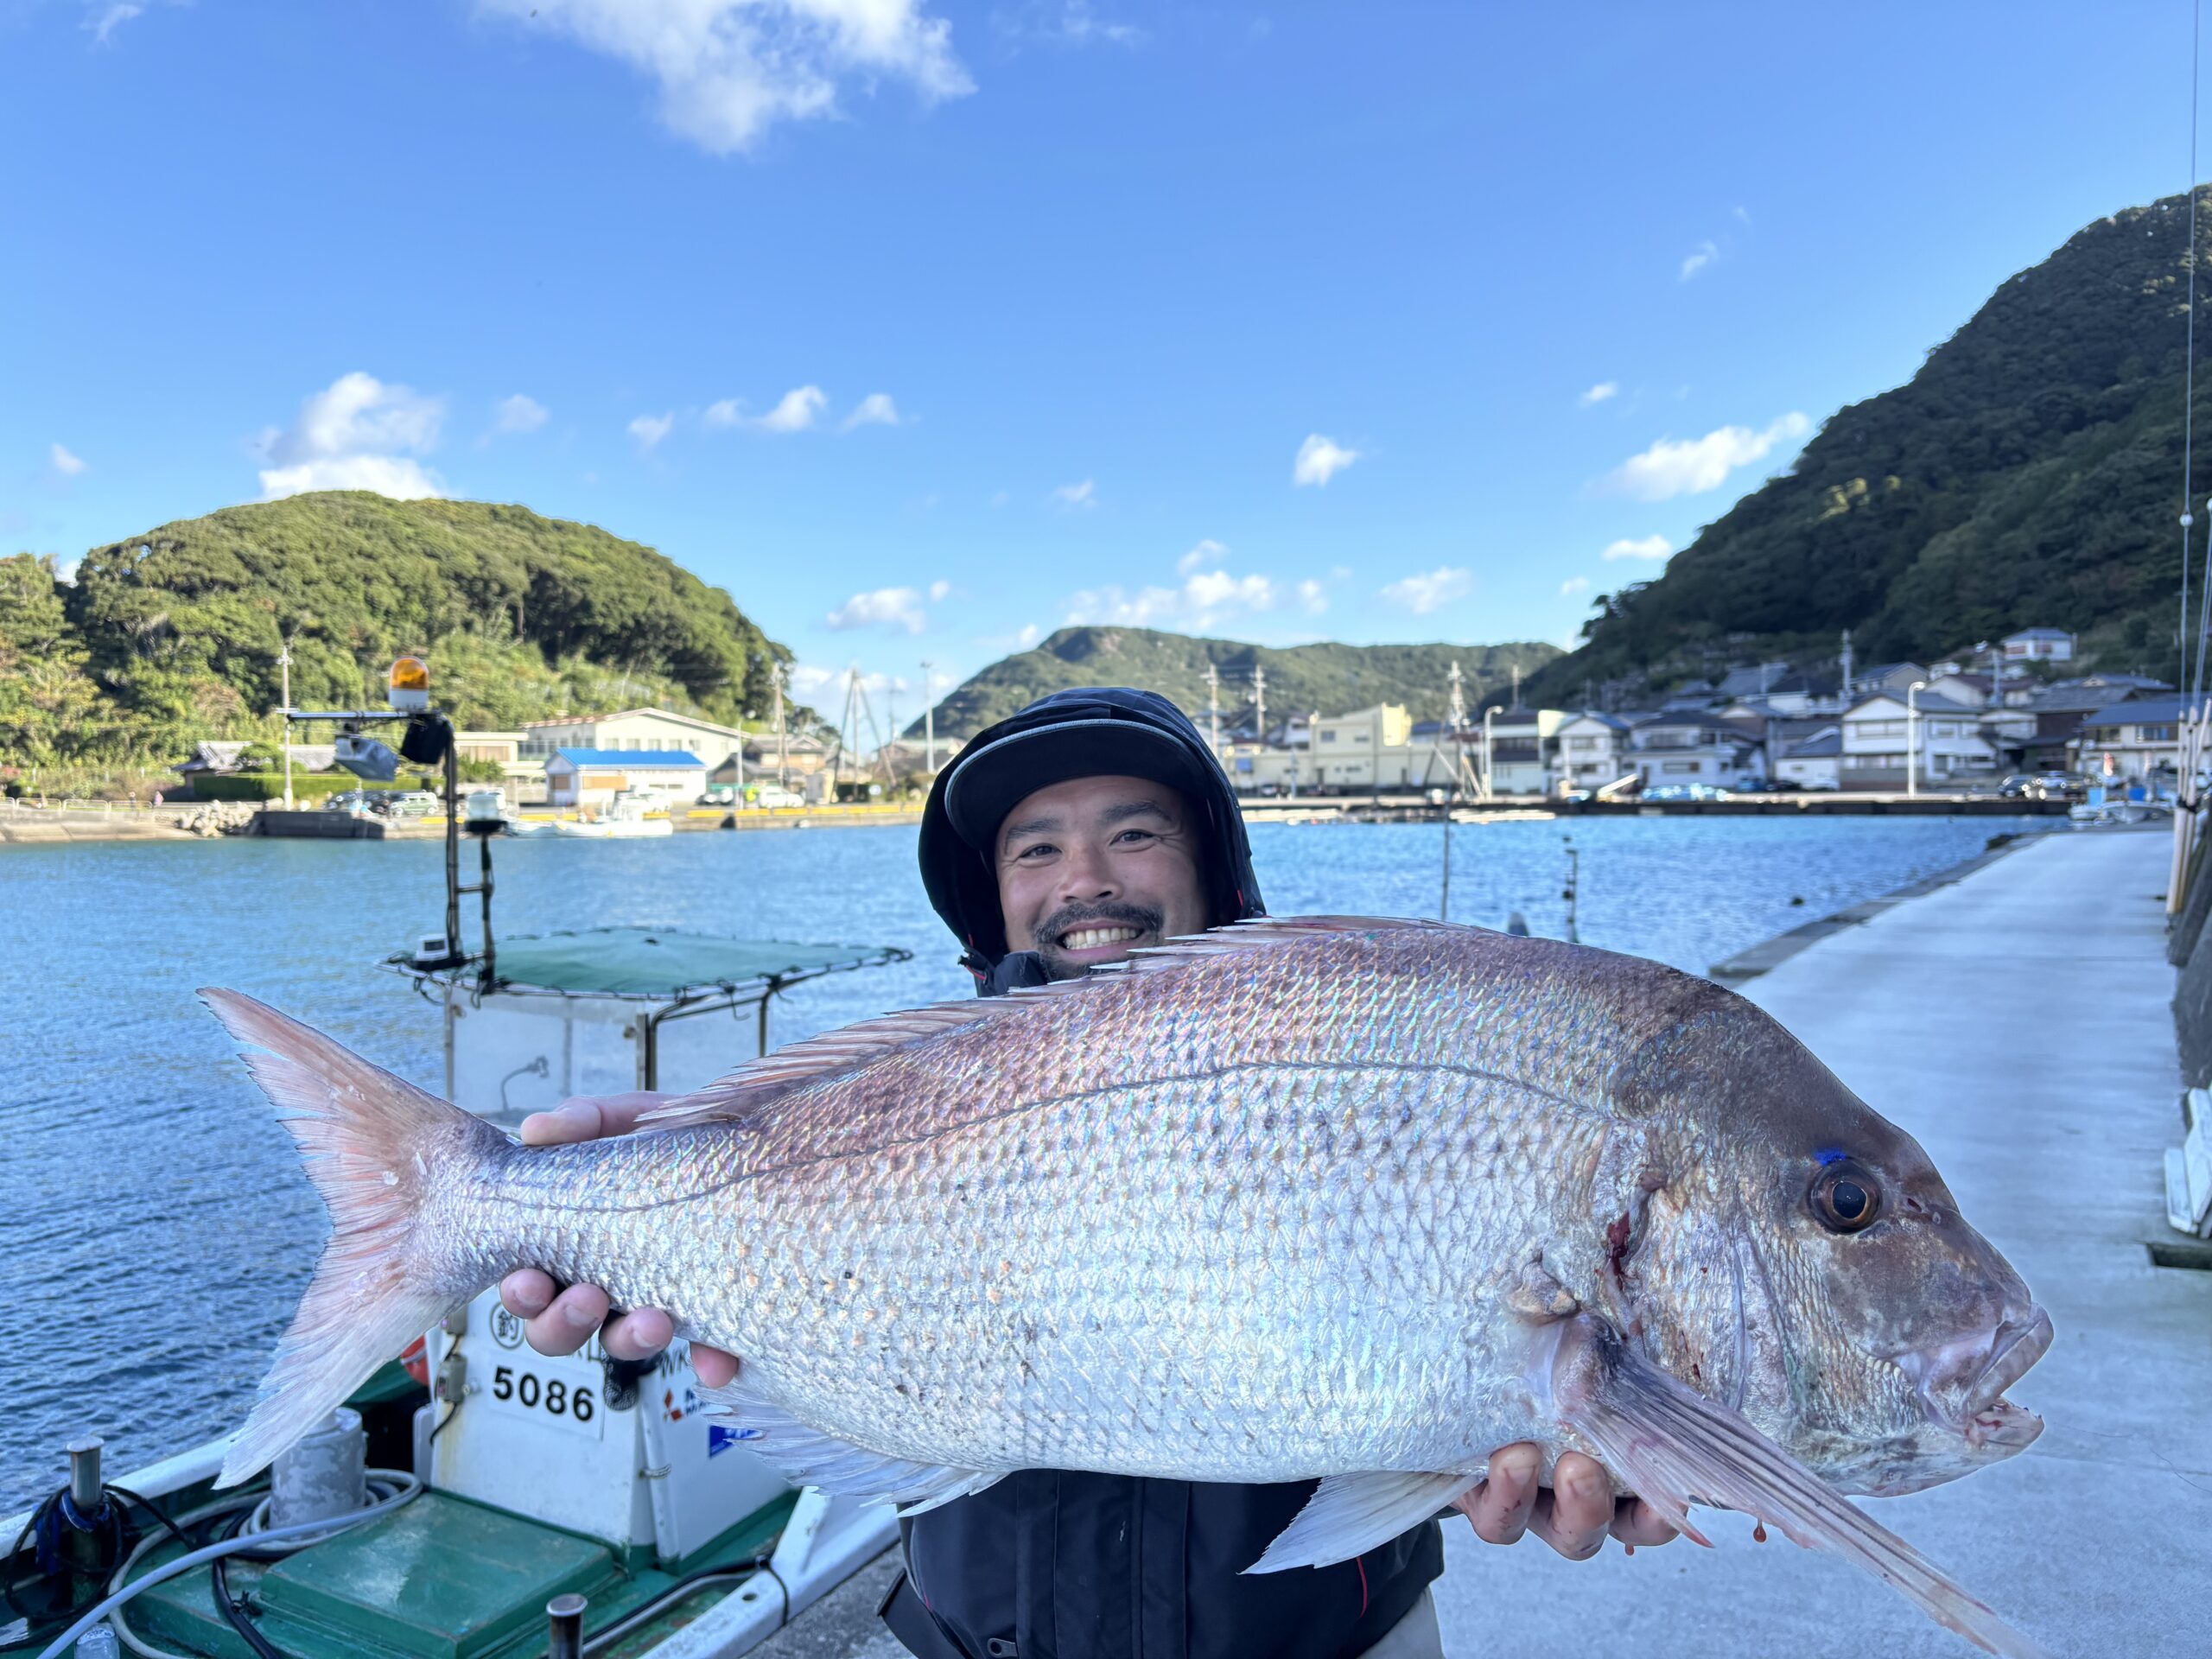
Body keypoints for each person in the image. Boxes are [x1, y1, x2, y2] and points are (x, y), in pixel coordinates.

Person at [499, 687, 1675, 1659]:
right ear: (993, 897)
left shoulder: (1363, 1062)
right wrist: (650, 1213)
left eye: (1134, 831)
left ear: (1218, 871)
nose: (1085, 879)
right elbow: (753, 1310)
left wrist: (1614, 1435)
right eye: (1036, 847)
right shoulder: (891, 1097)